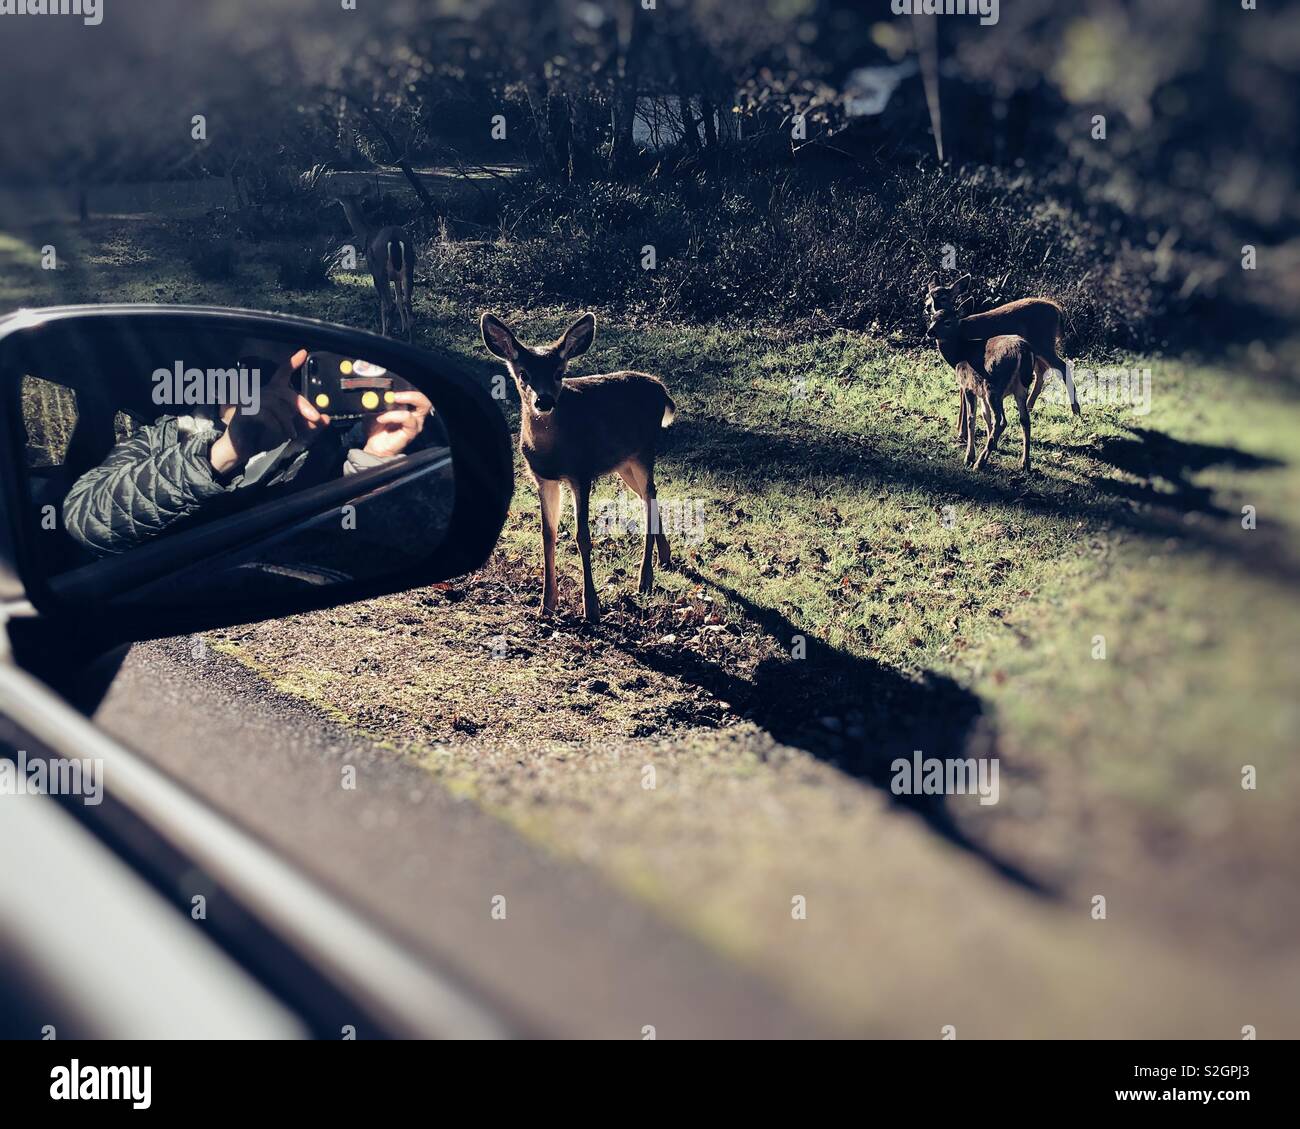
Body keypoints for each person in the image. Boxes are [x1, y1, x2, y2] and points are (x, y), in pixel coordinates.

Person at [62, 348, 432, 557]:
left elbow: (375, 551)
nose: (265, 387)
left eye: (284, 375)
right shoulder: (164, 438)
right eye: (248, 369)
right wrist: (224, 452)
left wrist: (376, 457)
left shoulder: (333, 454)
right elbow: (85, 521)